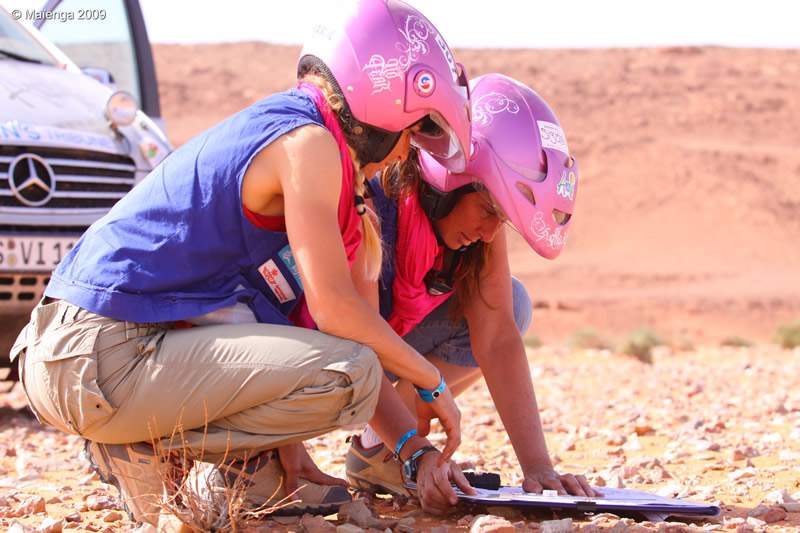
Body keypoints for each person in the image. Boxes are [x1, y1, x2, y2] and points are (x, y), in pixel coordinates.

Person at [8, 0, 475, 525]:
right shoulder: (309, 144)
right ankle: (143, 447)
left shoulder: (326, 164)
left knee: (319, 422)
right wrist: (431, 379)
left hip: (87, 356)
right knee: (350, 372)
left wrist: (417, 454)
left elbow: (356, 329)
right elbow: (338, 314)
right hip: (94, 355)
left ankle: (192, 456)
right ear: (388, 108)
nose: (407, 151)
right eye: (414, 131)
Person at [345, 73, 599, 498]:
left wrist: (539, 470)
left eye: (501, 218)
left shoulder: (482, 229)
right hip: (331, 352)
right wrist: (417, 448)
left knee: (511, 305)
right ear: (449, 177)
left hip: (383, 353)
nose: (487, 231)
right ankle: (262, 455)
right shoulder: (371, 199)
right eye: (486, 209)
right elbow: (352, 338)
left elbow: (497, 338)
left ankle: (377, 452)